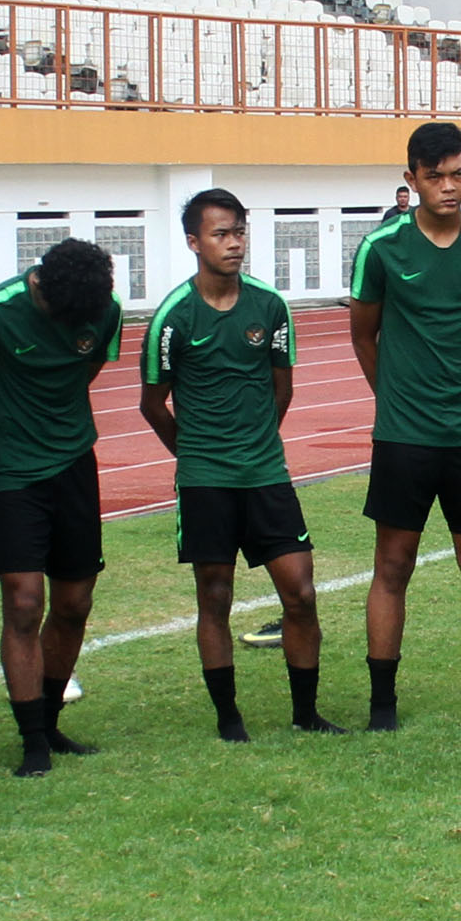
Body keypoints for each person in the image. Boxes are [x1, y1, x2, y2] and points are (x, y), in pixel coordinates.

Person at [347, 121, 461, 728]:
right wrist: (396, 395)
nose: (448, 187)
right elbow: (363, 334)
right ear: (411, 178)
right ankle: (382, 706)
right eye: (435, 176)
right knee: (392, 566)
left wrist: (455, 387)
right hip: (404, 438)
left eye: (458, 174)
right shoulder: (382, 249)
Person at [145, 188, 333, 742]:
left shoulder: (269, 307)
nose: (233, 243)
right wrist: (196, 452)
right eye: (220, 234)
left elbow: (283, 390)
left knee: (300, 592)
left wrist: (255, 443)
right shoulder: (173, 318)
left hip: (266, 475)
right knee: (216, 597)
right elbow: (152, 405)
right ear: (193, 242)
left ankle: (306, 713)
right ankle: (230, 720)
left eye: (239, 232)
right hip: (206, 481)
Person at [0, 235, 123, 775]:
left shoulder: (105, 311)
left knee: (74, 602)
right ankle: (32, 741)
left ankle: (50, 721)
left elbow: (90, 367)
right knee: (25, 602)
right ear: (41, 289)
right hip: (12, 472)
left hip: (75, 462)